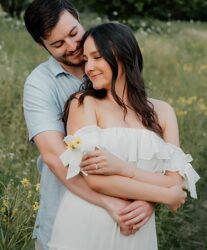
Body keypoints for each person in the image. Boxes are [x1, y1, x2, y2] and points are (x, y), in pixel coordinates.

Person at [46, 22, 199, 249]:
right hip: (86, 226)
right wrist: (164, 196)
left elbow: (174, 181)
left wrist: (128, 175)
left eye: (97, 57)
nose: (89, 67)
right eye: (86, 59)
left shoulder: (163, 112)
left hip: (138, 230)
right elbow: (95, 180)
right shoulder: (84, 104)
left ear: (123, 55)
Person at [22, 0, 156, 250]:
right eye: (58, 43)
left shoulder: (112, 63)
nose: (72, 45)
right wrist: (110, 203)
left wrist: (149, 200)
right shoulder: (40, 84)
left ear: (79, 18)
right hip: (67, 222)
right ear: (42, 45)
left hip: (130, 222)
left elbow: (146, 142)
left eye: (74, 33)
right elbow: (54, 156)